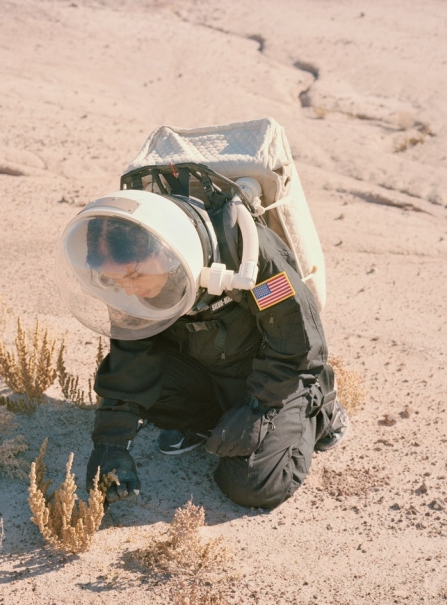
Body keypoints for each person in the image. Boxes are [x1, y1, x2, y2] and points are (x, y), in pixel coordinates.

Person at [57, 173, 347, 510]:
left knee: (252, 486)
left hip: (273, 377)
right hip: (205, 370)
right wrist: (111, 446)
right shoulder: (128, 279)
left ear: (166, 250)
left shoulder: (250, 256)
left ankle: (320, 408)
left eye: (136, 275)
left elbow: (299, 343)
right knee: (147, 388)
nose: (129, 288)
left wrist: (260, 410)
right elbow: (130, 363)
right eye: (116, 279)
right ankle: (206, 421)